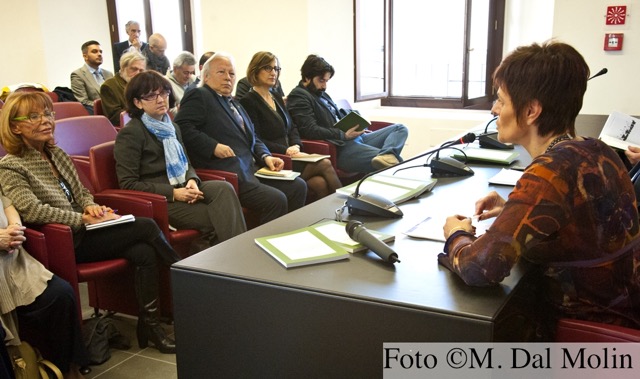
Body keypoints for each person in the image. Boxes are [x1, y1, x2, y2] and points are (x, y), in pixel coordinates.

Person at [438, 41, 640, 333]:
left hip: (589, 336)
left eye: (501, 101)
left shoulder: (549, 172)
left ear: (531, 110)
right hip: (627, 313)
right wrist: (512, 209)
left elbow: (479, 267)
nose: (494, 109)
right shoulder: (598, 149)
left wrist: (455, 234)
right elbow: (584, 222)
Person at [0, 91, 181, 354]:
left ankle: (150, 326)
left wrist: (92, 207)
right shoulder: (11, 166)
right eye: (34, 116)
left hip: (86, 230)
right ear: (15, 126)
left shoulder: (56, 153)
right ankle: (186, 277)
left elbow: (82, 192)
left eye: (48, 114)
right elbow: (31, 210)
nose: (46, 120)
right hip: (63, 240)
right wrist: (81, 219)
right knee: (147, 226)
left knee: (143, 251)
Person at [116, 71, 246, 250]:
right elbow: (128, 184)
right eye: (152, 96)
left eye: (164, 93)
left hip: (183, 186)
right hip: (160, 199)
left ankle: (227, 258)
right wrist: (173, 193)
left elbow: (187, 163)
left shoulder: (173, 127)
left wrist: (192, 180)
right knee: (223, 217)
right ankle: (237, 257)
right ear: (137, 103)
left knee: (223, 188)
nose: (161, 99)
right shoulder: (131, 133)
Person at [175, 52, 307, 225]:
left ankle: (291, 234)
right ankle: (265, 246)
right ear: (206, 76)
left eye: (232, 74)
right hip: (228, 173)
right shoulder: (200, 96)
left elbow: (253, 136)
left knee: (298, 186)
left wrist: (266, 156)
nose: (228, 78)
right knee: (276, 199)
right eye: (221, 72)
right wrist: (212, 146)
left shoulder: (234, 102)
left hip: (252, 169)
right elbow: (182, 127)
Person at [0, 195, 89, 378]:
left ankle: (68, 367)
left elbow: (8, 206)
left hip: (15, 261)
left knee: (61, 294)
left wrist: (15, 229)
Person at [240, 51, 341, 200]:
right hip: (276, 159)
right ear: (255, 70)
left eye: (276, 69)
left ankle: (329, 218)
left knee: (319, 183)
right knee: (324, 163)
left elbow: (292, 127)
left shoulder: (275, 96)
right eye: (268, 68)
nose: (273, 73)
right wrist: (286, 150)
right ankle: (348, 205)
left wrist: (296, 145)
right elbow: (256, 139)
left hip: (293, 154)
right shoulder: (248, 101)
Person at [287, 54, 408, 173]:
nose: (324, 86)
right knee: (393, 163)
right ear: (307, 77)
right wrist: (343, 135)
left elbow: (334, 116)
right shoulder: (299, 96)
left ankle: (387, 154)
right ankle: (387, 156)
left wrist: (357, 124)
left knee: (400, 129)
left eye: (326, 81)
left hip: (356, 139)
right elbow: (310, 130)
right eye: (321, 80)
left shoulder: (321, 93)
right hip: (341, 148)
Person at [100, 50, 146, 125]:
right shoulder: (109, 86)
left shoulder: (144, 85)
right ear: (122, 68)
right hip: (129, 128)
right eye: (134, 69)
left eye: (141, 70)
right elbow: (116, 118)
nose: (138, 73)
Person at [70, 40, 114, 114]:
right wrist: (107, 106)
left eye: (101, 52)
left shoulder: (109, 74)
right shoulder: (78, 75)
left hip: (114, 112)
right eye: (94, 51)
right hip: (96, 114)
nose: (99, 54)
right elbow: (83, 102)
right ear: (85, 56)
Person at [166, 51, 196, 116]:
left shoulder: (195, 80)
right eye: (185, 73)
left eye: (191, 72)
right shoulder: (164, 83)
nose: (189, 76)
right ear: (175, 69)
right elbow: (167, 111)